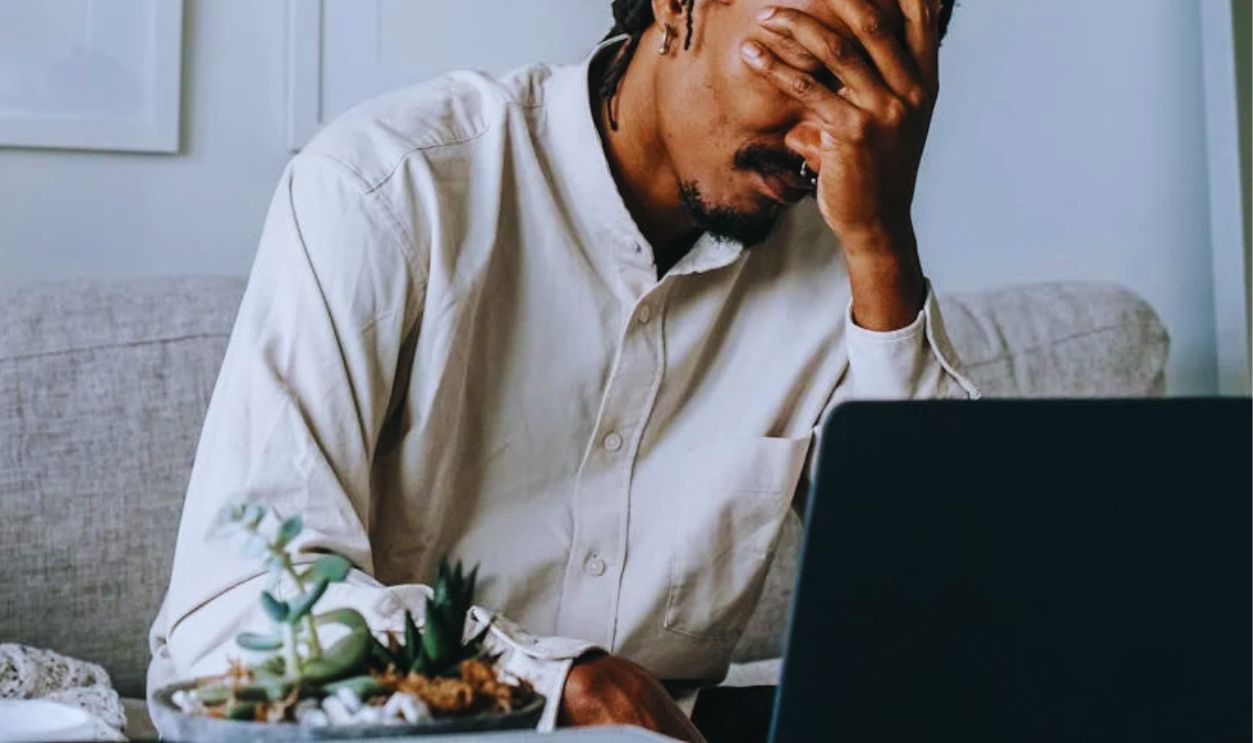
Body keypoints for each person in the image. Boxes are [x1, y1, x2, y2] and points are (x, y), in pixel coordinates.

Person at [149, 0, 972, 740]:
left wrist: (882, 244)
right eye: (806, 68)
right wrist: (563, 685)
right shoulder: (387, 189)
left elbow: (957, 614)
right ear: (676, 8)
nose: (822, 142)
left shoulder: (849, 241)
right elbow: (233, 613)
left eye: (876, 100)